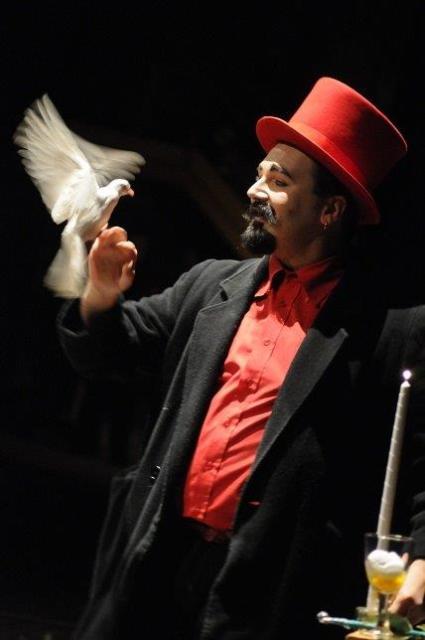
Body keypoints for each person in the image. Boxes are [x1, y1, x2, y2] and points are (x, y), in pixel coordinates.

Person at [58, 77, 425, 639]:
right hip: (161, 563)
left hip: (273, 591)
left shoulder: (391, 328)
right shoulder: (211, 286)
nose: (255, 190)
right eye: (259, 173)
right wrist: (101, 294)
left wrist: (421, 561)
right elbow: (109, 354)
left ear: (329, 210)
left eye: (278, 182)